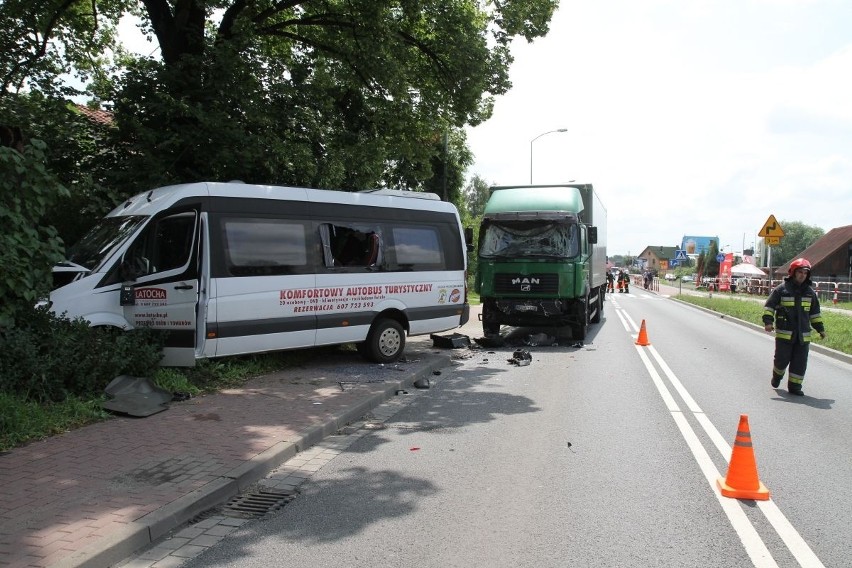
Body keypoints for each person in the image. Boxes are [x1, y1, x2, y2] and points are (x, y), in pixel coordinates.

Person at [762, 258, 826, 396]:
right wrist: (768, 322)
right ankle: (777, 376)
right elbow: (769, 307)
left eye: (805, 273)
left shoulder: (810, 293)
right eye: (800, 272)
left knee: (800, 362)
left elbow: (815, 314)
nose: (802, 275)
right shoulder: (781, 290)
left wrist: (820, 329)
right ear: (793, 273)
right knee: (781, 360)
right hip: (785, 334)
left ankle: (795, 387)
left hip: (803, 336)